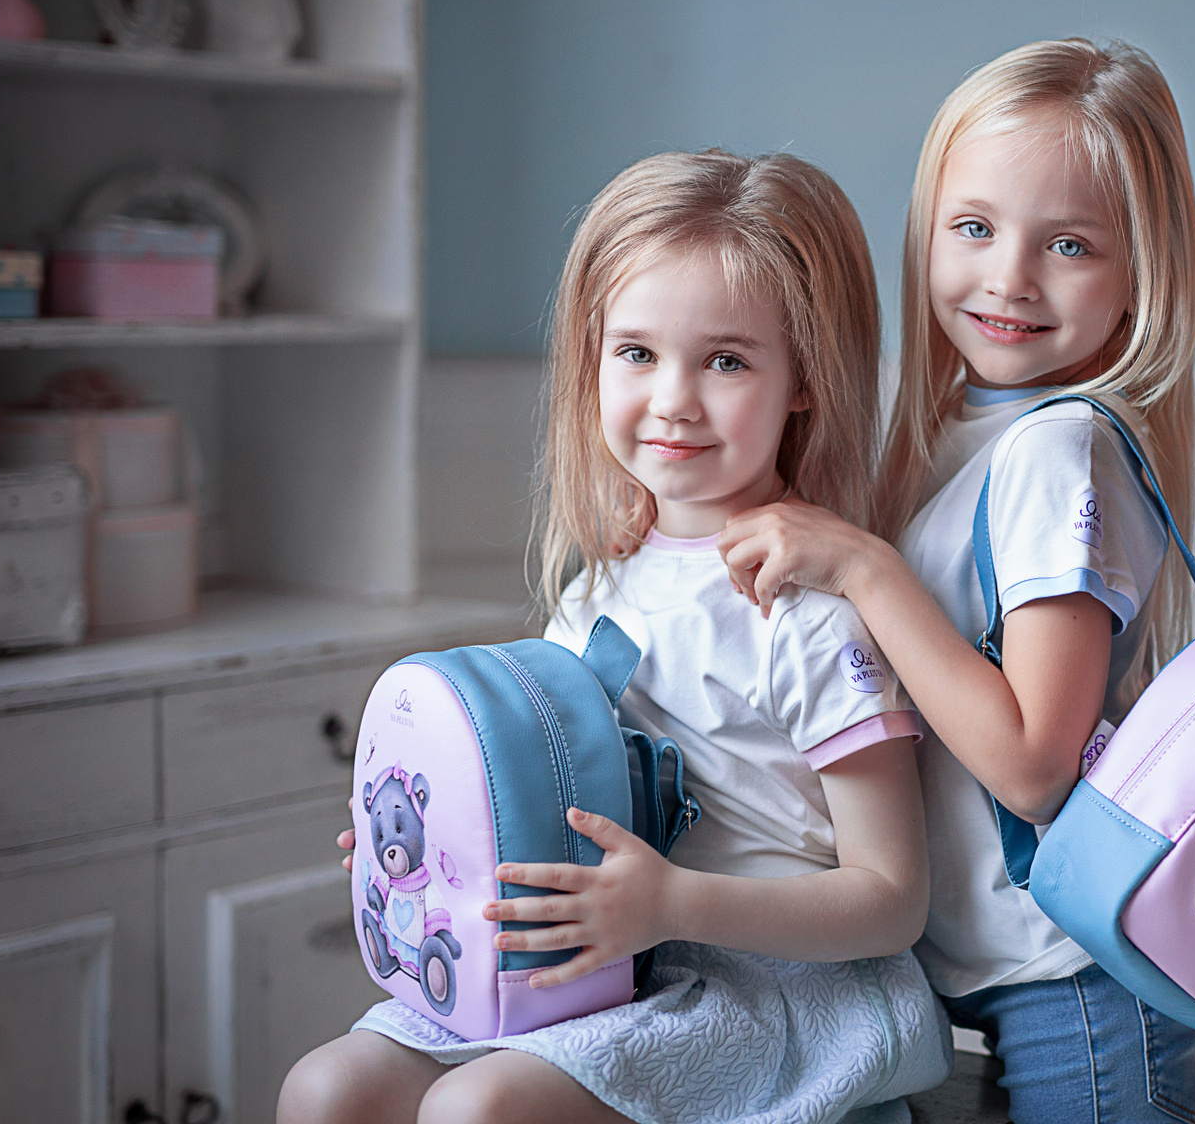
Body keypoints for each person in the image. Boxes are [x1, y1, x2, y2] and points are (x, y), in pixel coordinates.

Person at [279, 150, 950, 1124]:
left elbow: (891, 898)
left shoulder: (808, 613)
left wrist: (673, 904)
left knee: (478, 1110)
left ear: (804, 377)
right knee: (326, 1088)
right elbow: (549, 802)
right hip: (605, 954)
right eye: (637, 352)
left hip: (776, 984)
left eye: (726, 360)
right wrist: (428, 851)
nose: (674, 398)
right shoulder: (598, 588)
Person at [718, 39, 1195, 1124]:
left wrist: (863, 564)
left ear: (1143, 273)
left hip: (1070, 983)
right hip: (980, 966)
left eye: (1069, 244)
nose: (1010, 278)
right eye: (975, 228)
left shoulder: (1058, 449)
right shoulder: (958, 431)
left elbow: (1034, 766)